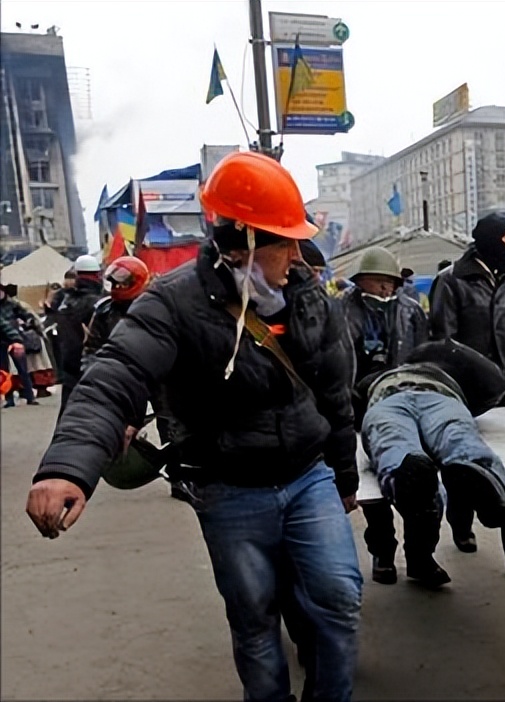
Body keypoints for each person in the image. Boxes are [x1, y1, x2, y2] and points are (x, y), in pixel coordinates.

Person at [25, 151, 362, 701]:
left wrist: (343, 475)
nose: (297, 254)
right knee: (254, 619)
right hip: (227, 489)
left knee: (338, 599)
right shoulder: (173, 301)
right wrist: (68, 467)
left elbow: (335, 394)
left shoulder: (308, 298)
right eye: (284, 240)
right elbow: (117, 375)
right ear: (246, 241)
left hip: (309, 478)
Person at [429, 212, 505, 587]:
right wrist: (451, 390)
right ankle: (461, 520)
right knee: (469, 467)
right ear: (489, 240)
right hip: (467, 398)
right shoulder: (451, 283)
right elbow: (442, 342)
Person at [359, 340, 505, 588]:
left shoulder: (435, 365)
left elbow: (494, 382)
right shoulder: (441, 372)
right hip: (432, 398)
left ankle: (480, 486)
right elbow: (496, 383)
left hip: (395, 400)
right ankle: (482, 484)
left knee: (398, 445)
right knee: (451, 441)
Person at [340, 246, 430, 585]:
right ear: (360, 282)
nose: (382, 289)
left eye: (386, 283)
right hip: (357, 410)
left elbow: (423, 354)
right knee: (371, 488)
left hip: (401, 404)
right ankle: (382, 553)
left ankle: (421, 556)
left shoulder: (410, 311)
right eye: (374, 282)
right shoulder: (343, 311)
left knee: (413, 481)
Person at [51, 254, 104, 415]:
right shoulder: (98, 303)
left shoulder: (64, 301)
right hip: (93, 367)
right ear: (97, 275)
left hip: (68, 366)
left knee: (68, 414)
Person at [81, 256, 152, 371]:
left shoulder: (153, 308)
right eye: (113, 283)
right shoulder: (104, 311)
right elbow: (92, 348)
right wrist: (91, 371)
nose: (116, 287)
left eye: (122, 283)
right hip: (113, 373)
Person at [0, 284, 38, 406]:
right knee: (5, 372)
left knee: (23, 369)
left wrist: (29, 321)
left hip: (15, 340)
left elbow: (25, 314)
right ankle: (9, 398)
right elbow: (4, 325)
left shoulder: (12, 303)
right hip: (3, 340)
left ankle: (29, 396)